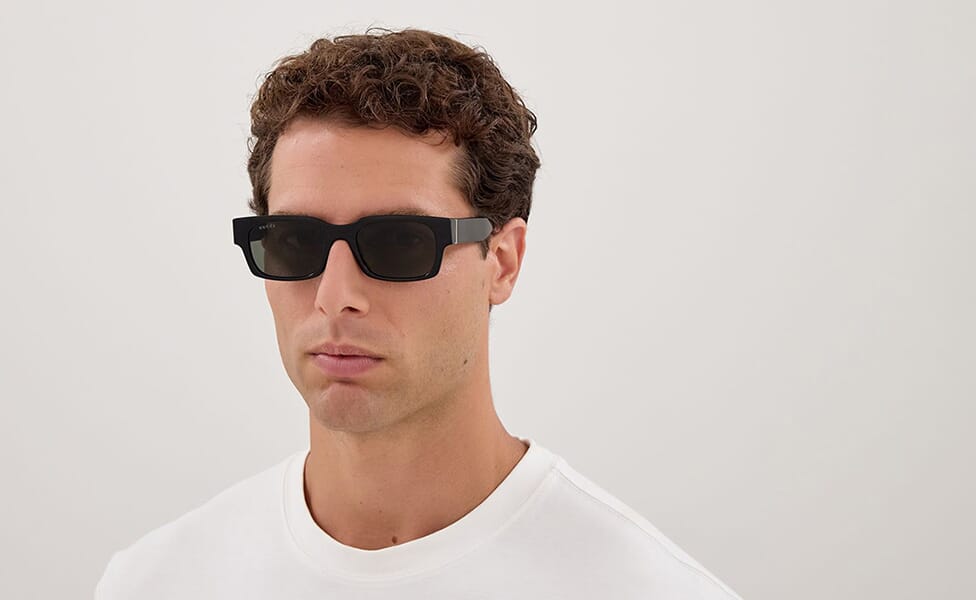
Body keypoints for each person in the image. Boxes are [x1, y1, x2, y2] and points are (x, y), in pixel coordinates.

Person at [95, 28, 743, 599]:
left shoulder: (645, 590)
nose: (334, 295)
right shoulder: (155, 583)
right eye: (294, 241)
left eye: (399, 242)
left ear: (503, 261)